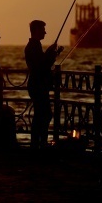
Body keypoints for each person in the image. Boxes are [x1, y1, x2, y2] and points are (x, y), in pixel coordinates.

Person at [24, 20, 63, 150]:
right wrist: (51, 55)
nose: (45, 32)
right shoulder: (33, 46)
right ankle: (39, 143)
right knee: (44, 115)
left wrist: (53, 53)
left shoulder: (35, 46)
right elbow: (41, 66)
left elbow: (42, 62)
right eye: (43, 29)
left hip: (38, 85)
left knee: (41, 115)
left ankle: (38, 143)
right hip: (38, 86)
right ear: (36, 30)